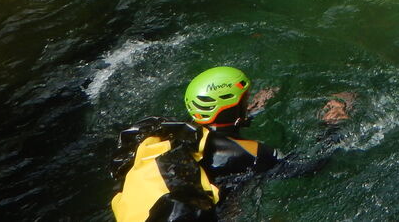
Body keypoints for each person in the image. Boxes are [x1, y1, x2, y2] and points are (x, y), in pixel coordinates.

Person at [110, 67, 352, 222]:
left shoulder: (174, 133)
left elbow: (218, 127)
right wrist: (332, 124)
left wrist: (251, 111)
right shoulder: (249, 153)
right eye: (245, 100)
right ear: (234, 108)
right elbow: (310, 165)